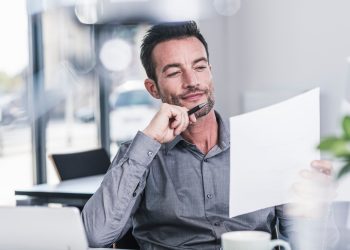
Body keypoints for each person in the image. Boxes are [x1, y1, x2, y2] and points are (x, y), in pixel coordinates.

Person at [82, 21, 334, 249]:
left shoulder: (264, 145)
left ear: (210, 72)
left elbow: (308, 243)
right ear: (152, 88)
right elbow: (95, 236)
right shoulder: (140, 155)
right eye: (173, 72)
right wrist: (150, 138)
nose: (192, 81)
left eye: (200, 67)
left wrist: (316, 209)